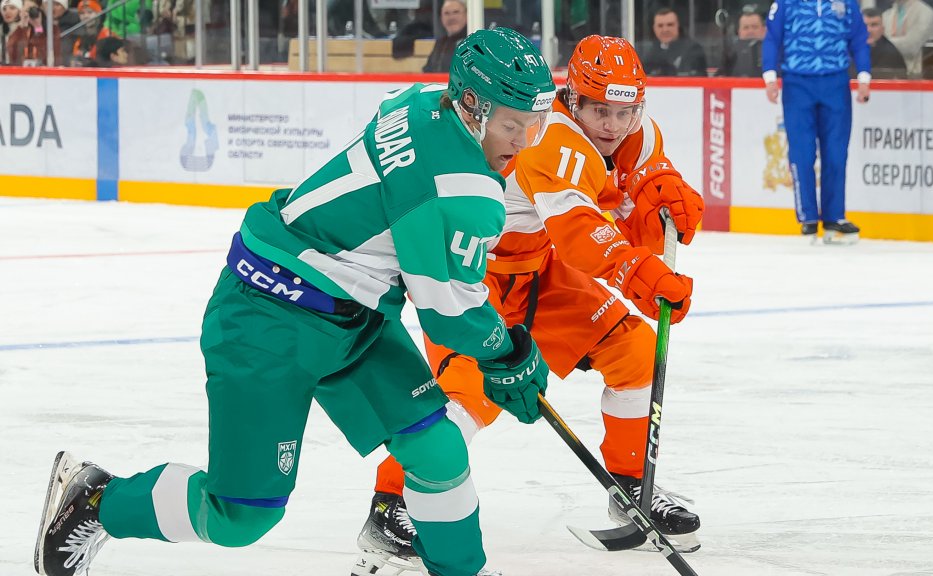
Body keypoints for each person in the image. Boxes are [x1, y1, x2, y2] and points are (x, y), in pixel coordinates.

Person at [34, 27, 556, 576]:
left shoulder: (424, 101)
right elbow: (450, 314)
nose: (523, 141)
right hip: (270, 316)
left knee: (438, 449)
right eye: (511, 125)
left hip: (353, 316)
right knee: (240, 517)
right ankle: (97, 501)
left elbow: (399, 167)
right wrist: (509, 353)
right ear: (471, 104)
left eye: (534, 124)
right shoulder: (464, 193)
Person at [350, 34, 704, 576]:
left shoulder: (635, 131)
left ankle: (632, 487)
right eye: (600, 111)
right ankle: (391, 504)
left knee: (634, 351)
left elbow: (636, 186)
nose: (613, 125)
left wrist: (664, 195)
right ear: (572, 99)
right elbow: (581, 234)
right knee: (467, 396)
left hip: (537, 271)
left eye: (625, 112)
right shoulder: (549, 139)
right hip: (472, 274)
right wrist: (637, 271)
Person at [763, 0, 870, 243]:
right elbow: (772, 38)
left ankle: (834, 216)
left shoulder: (846, 3)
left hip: (836, 82)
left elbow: (858, 39)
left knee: (836, 152)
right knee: (802, 152)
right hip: (797, 83)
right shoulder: (786, 4)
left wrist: (864, 77)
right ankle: (808, 217)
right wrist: (770, 77)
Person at [638, 7, 707, 76]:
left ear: (678, 26)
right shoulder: (648, 53)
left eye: (670, 25)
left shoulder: (693, 50)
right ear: (654, 28)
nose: (665, 30)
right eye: (660, 26)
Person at [882, 0, 933, 78]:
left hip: (913, 75)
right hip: (887, 73)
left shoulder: (925, 13)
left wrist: (883, 44)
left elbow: (910, 45)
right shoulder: (887, 14)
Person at [5, 0, 61, 65]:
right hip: (22, 69)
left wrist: (38, 27)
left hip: (43, 69)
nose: (30, 13)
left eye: (33, 9)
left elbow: (53, 56)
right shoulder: (20, 30)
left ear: (41, 11)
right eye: (27, 10)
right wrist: (22, 27)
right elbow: (12, 54)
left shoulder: (52, 29)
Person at [860, 7, 907, 78]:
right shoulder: (846, 50)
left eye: (874, 25)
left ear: (882, 29)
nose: (868, 30)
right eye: (864, 25)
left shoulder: (891, 55)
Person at [718, 7, 766, 77]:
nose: (750, 31)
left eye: (755, 27)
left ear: (763, 30)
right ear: (739, 31)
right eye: (746, 27)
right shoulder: (730, 52)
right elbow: (720, 77)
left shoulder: (774, 51)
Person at [422, 0, 466, 73]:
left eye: (456, 12)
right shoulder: (440, 43)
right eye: (446, 13)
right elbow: (428, 71)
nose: (451, 17)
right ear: (441, 18)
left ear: (466, 15)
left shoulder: (473, 42)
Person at [1, 0, 21, 64]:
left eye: (12, 8)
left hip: (21, 68)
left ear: (19, 11)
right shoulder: (1, 29)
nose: (7, 12)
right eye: (4, 9)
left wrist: (37, 25)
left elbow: (39, 35)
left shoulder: (26, 26)